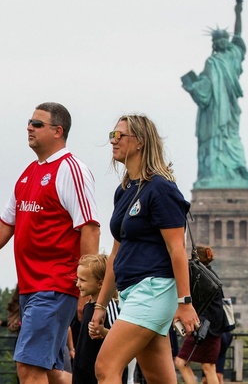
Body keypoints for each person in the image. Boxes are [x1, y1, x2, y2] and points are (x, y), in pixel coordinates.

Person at [0, 102, 100, 384]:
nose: (29, 127)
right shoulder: (28, 173)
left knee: (28, 369)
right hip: (30, 289)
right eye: (29, 122)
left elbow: (89, 228)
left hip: (55, 286)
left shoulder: (71, 170)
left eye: (37, 124)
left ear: (58, 131)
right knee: (50, 373)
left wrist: (87, 289)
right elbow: (6, 226)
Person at [92, 114, 200, 384]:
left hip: (153, 290)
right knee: (159, 378)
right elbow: (116, 254)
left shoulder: (161, 189)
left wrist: (185, 303)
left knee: (106, 367)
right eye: (111, 135)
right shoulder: (124, 191)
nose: (112, 142)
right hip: (132, 292)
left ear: (139, 142)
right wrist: (100, 304)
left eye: (119, 136)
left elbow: (177, 249)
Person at [181, 0, 248, 189]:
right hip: (213, 113)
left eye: (224, 38)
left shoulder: (232, 56)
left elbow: (238, 35)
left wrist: (238, 8)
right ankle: (213, 174)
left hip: (228, 109)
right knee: (214, 140)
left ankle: (234, 172)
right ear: (214, 43)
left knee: (230, 138)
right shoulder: (211, 63)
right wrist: (193, 87)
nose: (222, 41)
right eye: (218, 39)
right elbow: (204, 90)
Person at [175, 245, 227, 384]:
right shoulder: (211, 275)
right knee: (208, 366)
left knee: (182, 362)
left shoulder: (200, 276)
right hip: (213, 327)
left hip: (203, 327)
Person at [71, 254, 123, 384]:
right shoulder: (88, 306)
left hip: (97, 376)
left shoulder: (109, 306)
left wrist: (102, 331)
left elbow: (120, 339)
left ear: (100, 284)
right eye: (77, 279)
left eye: (83, 280)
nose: (78, 284)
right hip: (82, 374)